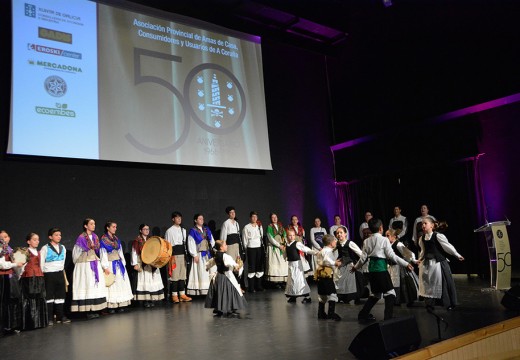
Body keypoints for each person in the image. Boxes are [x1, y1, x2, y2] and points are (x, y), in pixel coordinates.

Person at [352, 218, 413, 322]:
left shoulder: (366, 241)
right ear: (381, 228)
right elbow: (392, 256)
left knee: (376, 294)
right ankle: (387, 318)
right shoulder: (384, 240)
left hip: (372, 270)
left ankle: (363, 314)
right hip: (381, 270)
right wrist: (406, 263)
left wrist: (355, 267)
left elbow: (362, 259)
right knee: (391, 294)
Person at [416, 216, 464, 310]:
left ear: (432, 225)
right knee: (428, 284)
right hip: (427, 264)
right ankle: (429, 304)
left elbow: (448, 246)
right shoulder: (421, 238)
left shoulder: (437, 235)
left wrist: (457, 255)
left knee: (443, 283)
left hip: (438, 263)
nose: (423, 225)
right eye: (422, 224)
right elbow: (423, 251)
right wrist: (420, 259)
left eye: (425, 223)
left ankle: (449, 303)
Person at [71, 218, 107, 319]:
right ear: (86, 226)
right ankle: (88, 310)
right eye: (91, 224)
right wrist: (79, 265)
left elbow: (97, 250)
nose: (93, 225)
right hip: (84, 263)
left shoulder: (95, 237)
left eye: (94, 224)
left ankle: (95, 308)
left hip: (94, 260)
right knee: (86, 283)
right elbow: (76, 253)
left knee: (94, 284)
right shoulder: (81, 238)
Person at [204, 240, 247, 318]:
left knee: (219, 292)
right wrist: (237, 266)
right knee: (230, 291)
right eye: (225, 245)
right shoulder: (225, 256)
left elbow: (211, 262)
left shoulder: (217, 255)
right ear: (221, 247)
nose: (227, 246)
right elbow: (231, 263)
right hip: (225, 276)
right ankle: (230, 309)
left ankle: (219, 309)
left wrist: (207, 267)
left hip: (218, 276)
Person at [100, 221, 133, 312]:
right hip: (110, 264)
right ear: (108, 228)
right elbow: (103, 253)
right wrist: (105, 267)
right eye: (113, 227)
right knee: (112, 283)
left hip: (118, 263)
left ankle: (120, 304)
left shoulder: (116, 239)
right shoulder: (103, 240)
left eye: (116, 227)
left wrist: (123, 263)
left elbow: (120, 252)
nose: (115, 228)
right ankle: (111, 305)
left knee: (120, 282)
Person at [40, 227, 70, 325]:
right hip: (49, 274)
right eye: (56, 235)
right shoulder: (45, 248)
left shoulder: (63, 247)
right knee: (49, 296)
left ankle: (60, 316)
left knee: (60, 296)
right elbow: (41, 263)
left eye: (60, 235)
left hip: (59, 273)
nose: (59, 237)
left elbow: (63, 261)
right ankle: (49, 318)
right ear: (50, 237)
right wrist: (42, 274)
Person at [20, 233, 48, 329]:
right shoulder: (25, 251)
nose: (37, 241)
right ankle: (30, 323)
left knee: (39, 297)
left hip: (39, 276)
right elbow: (21, 266)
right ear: (28, 241)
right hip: (29, 277)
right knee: (30, 298)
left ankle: (39, 322)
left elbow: (41, 265)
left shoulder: (39, 252)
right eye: (34, 239)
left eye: (38, 239)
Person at [132, 224, 165, 307]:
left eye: (148, 229)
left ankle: (152, 299)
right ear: (140, 230)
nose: (147, 230)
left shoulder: (151, 240)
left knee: (152, 280)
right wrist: (135, 263)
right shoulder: (137, 240)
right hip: (143, 263)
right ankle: (145, 300)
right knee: (145, 280)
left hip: (152, 262)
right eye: (144, 229)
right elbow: (134, 252)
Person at [386, 228, 418, 307]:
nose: (386, 237)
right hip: (391, 267)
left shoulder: (398, 244)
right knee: (394, 283)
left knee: (403, 284)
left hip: (399, 267)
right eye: (385, 235)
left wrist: (413, 260)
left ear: (394, 236)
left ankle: (406, 300)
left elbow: (408, 253)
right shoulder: (388, 245)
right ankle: (396, 300)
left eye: (388, 235)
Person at [164, 212, 192, 303]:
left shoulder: (183, 230)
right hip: (174, 255)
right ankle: (174, 295)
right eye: (177, 218)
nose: (179, 219)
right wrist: (170, 257)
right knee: (175, 275)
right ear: (173, 219)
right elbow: (167, 245)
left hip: (182, 254)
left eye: (180, 217)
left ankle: (182, 294)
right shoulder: (169, 231)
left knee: (182, 275)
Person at [284, 228, 317, 304]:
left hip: (297, 264)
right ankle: (293, 296)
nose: (291, 237)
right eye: (290, 235)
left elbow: (305, 249)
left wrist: (314, 252)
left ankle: (307, 297)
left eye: (293, 235)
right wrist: (285, 256)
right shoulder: (287, 244)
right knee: (292, 280)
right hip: (291, 264)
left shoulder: (297, 243)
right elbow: (286, 253)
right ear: (287, 236)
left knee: (299, 280)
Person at [0, 231, 23, 334]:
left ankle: (12, 325)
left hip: (11, 277)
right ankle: (5, 326)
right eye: (2, 237)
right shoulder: (2, 249)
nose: (5, 239)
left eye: (6, 236)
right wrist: (14, 264)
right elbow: (2, 265)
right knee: (5, 302)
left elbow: (16, 266)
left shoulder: (10, 250)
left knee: (13, 301)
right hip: (3, 277)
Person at [186, 214, 215, 296]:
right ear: (195, 220)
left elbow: (212, 240)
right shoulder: (193, 231)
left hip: (207, 254)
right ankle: (202, 291)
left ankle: (210, 290)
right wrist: (194, 255)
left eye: (202, 218)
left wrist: (210, 249)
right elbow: (191, 243)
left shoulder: (206, 229)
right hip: (199, 254)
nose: (202, 220)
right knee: (201, 272)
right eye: (199, 219)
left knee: (210, 271)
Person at [315, 234, 342, 320]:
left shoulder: (322, 250)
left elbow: (323, 260)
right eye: (334, 240)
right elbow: (327, 260)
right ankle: (331, 313)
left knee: (322, 294)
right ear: (330, 243)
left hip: (320, 276)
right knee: (332, 294)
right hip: (327, 275)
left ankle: (321, 313)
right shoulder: (328, 251)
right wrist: (335, 263)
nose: (335, 242)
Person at [335, 226, 363, 304]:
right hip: (340, 265)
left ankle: (351, 297)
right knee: (340, 281)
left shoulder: (350, 243)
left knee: (350, 282)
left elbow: (360, 253)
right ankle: (341, 297)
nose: (339, 234)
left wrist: (358, 264)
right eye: (337, 233)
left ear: (345, 234)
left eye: (341, 232)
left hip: (349, 264)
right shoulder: (337, 243)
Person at [242, 211, 264, 292]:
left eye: (256, 217)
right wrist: (246, 248)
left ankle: (258, 286)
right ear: (250, 218)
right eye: (253, 217)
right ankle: (251, 287)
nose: (254, 218)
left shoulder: (259, 226)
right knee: (252, 266)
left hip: (259, 247)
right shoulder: (246, 227)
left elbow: (261, 236)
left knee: (259, 266)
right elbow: (245, 239)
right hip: (251, 247)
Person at [265, 213, 288, 286]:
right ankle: (274, 282)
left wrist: (284, 244)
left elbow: (284, 235)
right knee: (275, 264)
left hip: (281, 247)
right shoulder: (269, 227)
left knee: (282, 264)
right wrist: (278, 245)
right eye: (272, 217)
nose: (274, 218)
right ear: (271, 219)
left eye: (275, 217)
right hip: (274, 247)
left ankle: (282, 281)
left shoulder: (280, 226)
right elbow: (271, 238)